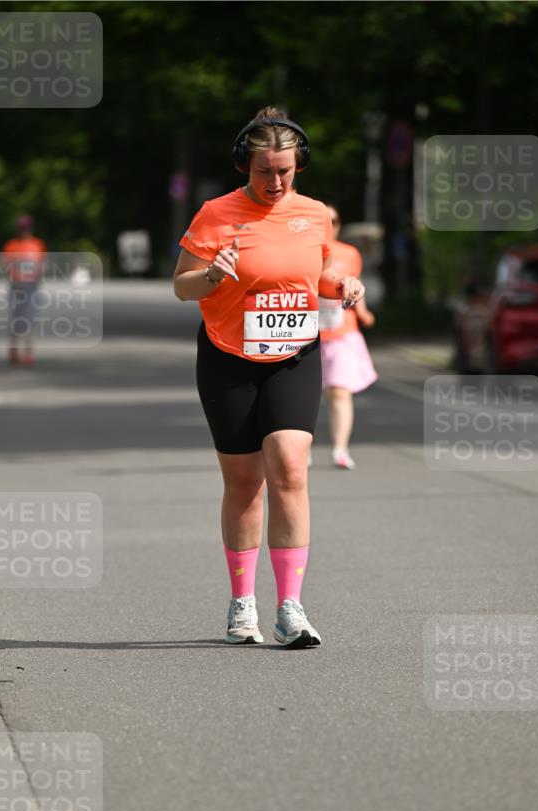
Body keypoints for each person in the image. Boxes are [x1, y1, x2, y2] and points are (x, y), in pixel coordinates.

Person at [173, 107, 365, 648]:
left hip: (295, 353)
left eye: (285, 170)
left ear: (298, 166)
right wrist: (211, 274)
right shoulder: (215, 214)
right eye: (264, 171)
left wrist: (343, 284)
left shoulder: (313, 214)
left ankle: (291, 608)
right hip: (228, 356)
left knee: (290, 468)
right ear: (244, 167)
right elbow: (181, 287)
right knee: (243, 484)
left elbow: (319, 273)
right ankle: (242, 604)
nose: (276, 182)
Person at [319, 205, 377, 469]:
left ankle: (339, 449)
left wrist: (363, 312)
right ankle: (298, 450)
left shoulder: (349, 253)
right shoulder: (304, 251)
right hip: (305, 335)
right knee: (303, 396)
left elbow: (356, 284)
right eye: (325, 220)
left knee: (340, 393)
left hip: (341, 334)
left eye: (335, 220)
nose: (331, 224)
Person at [1, 215, 47, 366]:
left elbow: (42, 265)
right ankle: (13, 350)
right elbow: (5, 267)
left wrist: (37, 278)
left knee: (29, 320)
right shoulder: (11, 245)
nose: (23, 232)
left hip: (31, 287)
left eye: (26, 228)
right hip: (16, 286)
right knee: (16, 319)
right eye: (21, 229)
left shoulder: (37, 244)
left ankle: (28, 353)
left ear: (30, 229)